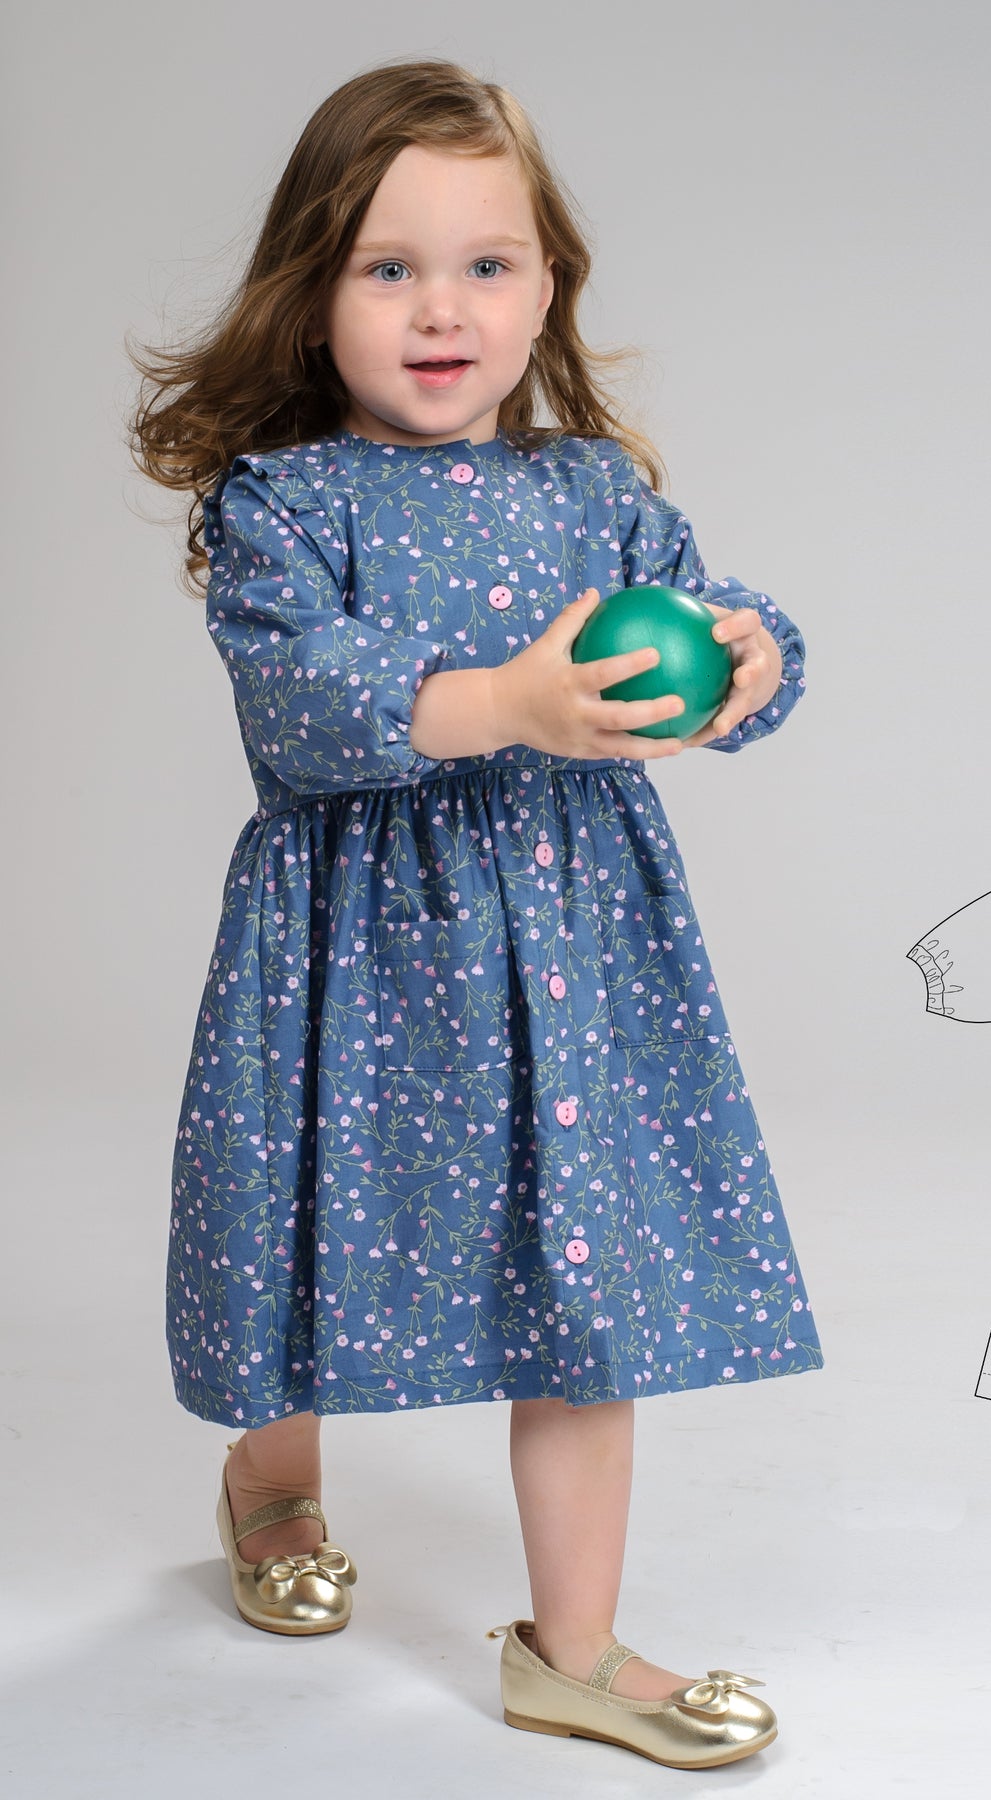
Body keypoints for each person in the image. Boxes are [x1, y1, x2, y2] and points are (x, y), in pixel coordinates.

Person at [127, 56, 823, 1771]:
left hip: (572, 955)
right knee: (303, 1228)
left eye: (487, 266)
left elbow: (708, 626)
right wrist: (508, 702)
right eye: (391, 267)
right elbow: (304, 701)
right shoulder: (287, 501)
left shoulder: (595, 493)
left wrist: (746, 661)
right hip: (355, 953)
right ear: (315, 289)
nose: (444, 310)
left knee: (585, 1275)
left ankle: (572, 1651)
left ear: (546, 286)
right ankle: (273, 1486)